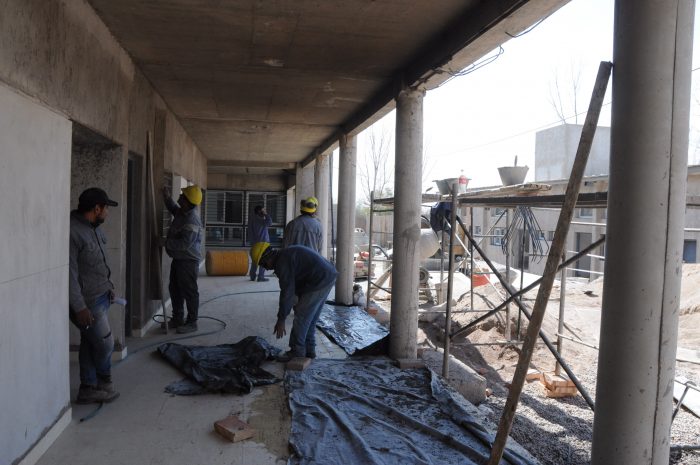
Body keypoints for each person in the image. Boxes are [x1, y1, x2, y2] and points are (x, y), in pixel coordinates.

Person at [69, 187, 121, 404]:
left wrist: (109, 287)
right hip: (87, 303)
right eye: (106, 208)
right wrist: (79, 307)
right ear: (96, 208)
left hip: (102, 295)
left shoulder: (95, 228)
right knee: (105, 344)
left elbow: (99, 262)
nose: (107, 213)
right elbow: (69, 273)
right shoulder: (72, 232)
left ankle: (88, 388)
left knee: (90, 343)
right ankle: (103, 381)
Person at [251, 242, 337, 361]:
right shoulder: (285, 255)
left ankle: (297, 352)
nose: (265, 268)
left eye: (263, 264)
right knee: (309, 319)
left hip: (319, 280)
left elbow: (287, 293)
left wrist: (281, 319)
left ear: (267, 257)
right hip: (327, 276)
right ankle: (310, 351)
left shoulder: (282, 263)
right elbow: (297, 282)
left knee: (301, 317)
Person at [162, 185, 203, 334]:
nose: (179, 196)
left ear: (187, 201)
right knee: (174, 289)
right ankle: (178, 318)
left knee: (190, 291)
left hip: (188, 261)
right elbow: (174, 209)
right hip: (179, 259)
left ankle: (192, 323)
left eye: (182, 195)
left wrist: (164, 242)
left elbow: (185, 244)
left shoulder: (192, 220)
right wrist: (167, 198)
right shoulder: (183, 211)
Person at [247, 205, 272, 282]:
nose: (264, 211)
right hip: (263, 243)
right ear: (259, 211)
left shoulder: (252, 219)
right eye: (263, 210)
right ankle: (261, 277)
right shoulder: (259, 220)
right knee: (263, 259)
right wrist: (266, 214)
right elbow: (269, 222)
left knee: (255, 259)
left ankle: (252, 276)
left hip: (254, 243)